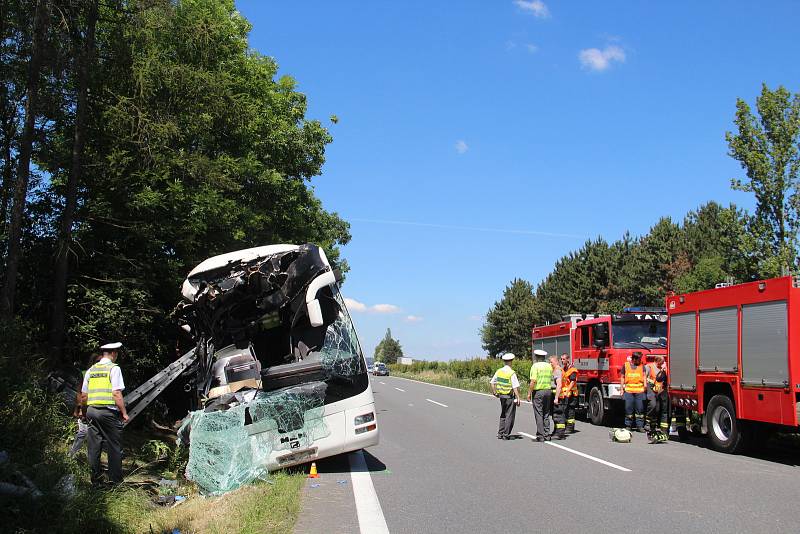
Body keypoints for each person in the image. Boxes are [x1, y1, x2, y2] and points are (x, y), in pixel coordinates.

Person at [82, 341, 128, 485]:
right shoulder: (114, 369)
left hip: (91, 411)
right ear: (114, 353)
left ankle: (95, 480)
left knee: (94, 446)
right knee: (114, 446)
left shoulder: (91, 370)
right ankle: (115, 482)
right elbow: (116, 393)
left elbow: (84, 395)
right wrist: (124, 412)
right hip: (107, 412)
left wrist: (85, 412)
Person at [69, 352, 101, 458]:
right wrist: (79, 409)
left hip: (97, 409)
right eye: (97, 361)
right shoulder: (85, 373)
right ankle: (71, 455)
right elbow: (80, 393)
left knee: (94, 435)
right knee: (83, 432)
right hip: (86, 407)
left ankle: (91, 459)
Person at [490, 353, 522, 440]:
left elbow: (492, 382)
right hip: (509, 397)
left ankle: (500, 433)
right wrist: (518, 397)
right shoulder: (511, 373)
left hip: (501, 396)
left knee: (503, 414)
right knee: (509, 415)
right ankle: (506, 434)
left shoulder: (499, 371)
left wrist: (495, 392)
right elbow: (515, 386)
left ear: (504, 361)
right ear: (511, 361)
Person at [527, 349, 552, 442]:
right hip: (548, 391)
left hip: (539, 392)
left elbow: (533, 381)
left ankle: (540, 435)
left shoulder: (535, 366)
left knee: (539, 413)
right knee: (546, 413)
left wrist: (529, 393)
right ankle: (547, 434)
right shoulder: (549, 366)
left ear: (536, 357)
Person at [620, 351, 646, 432]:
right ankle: (628, 425)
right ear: (634, 359)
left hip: (639, 391)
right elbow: (622, 377)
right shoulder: (626, 365)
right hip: (629, 391)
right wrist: (621, 389)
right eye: (639, 359)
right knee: (628, 409)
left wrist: (645, 386)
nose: (640, 360)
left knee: (640, 409)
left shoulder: (642, 366)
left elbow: (644, 376)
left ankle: (640, 426)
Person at [646, 356, 669, 443]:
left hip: (660, 392)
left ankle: (659, 429)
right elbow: (647, 378)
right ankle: (650, 425)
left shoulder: (663, 368)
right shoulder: (649, 367)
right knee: (654, 407)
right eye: (662, 362)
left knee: (659, 410)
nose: (663, 363)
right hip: (652, 390)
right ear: (657, 361)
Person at [560, 353, 579, 434]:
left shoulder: (572, 369)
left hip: (572, 393)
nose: (562, 360)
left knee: (570, 411)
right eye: (561, 359)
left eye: (563, 359)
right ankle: (566, 426)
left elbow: (572, 382)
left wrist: (567, 391)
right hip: (566, 393)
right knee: (565, 410)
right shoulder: (564, 368)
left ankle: (570, 428)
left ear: (568, 359)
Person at [549, 355, 565, 439]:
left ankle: (560, 433)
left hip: (558, 396)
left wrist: (556, 398)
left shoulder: (557, 371)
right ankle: (556, 431)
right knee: (555, 414)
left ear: (556, 361)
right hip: (555, 395)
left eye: (551, 362)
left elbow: (559, 385)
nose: (550, 363)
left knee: (558, 414)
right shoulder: (555, 370)